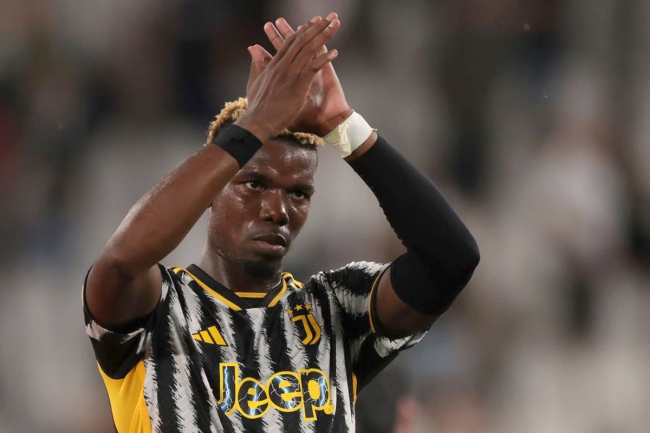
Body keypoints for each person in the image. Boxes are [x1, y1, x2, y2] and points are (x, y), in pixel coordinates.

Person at [83, 13, 479, 433]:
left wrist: (343, 126)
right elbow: (120, 262)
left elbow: (451, 260)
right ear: (212, 191)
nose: (278, 209)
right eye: (255, 184)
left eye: (298, 193)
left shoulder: (335, 310)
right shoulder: (157, 308)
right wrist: (256, 124)